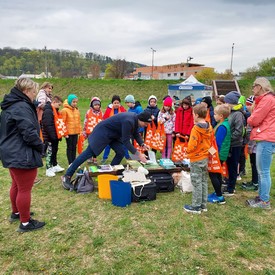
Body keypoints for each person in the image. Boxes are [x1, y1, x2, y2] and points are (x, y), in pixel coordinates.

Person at [62, 111, 152, 189]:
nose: (146, 126)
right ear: (141, 119)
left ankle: (110, 174)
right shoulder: (129, 121)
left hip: (113, 134)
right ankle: (67, 176)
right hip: (103, 132)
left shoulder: (135, 119)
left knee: (120, 152)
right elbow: (126, 141)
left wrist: (142, 144)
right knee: (88, 153)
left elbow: (135, 133)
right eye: (146, 123)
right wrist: (139, 154)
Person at [0, 77, 45, 232]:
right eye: (34, 92)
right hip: (21, 153)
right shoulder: (21, 107)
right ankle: (25, 223)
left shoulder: (11, 105)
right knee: (24, 188)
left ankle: (17, 212)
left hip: (11, 151)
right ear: (26, 91)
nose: (34, 96)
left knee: (16, 185)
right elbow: (29, 132)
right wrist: (41, 147)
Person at [246, 77, 275, 209]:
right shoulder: (267, 99)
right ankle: (261, 197)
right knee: (262, 171)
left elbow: (254, 119)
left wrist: (250, 118)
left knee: (263, 171)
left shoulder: (267, 99)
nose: (252, 89)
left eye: (254, 86)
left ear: (260, 86)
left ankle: (264, 201)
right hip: (265, 136)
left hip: (266, 137)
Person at [183, 104, 213, 214]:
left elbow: (192, 145)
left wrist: (186, 152)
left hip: (196, 159)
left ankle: (196, 206)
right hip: (205, 157)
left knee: (196, 182)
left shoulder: (195, 129)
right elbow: (211, 142)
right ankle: (203, 205)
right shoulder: (209, 127)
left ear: (196, 115)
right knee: (204, 180)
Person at [223, 91, 246, 196]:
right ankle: (228, 183)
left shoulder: (237, 114)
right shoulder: (230, 113)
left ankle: (231, 188)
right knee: (229, 165)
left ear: (232, 103)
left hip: (235, 145)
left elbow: (238, 131)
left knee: (233, 166)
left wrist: (228, 139)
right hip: (229, 144)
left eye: (226, 102)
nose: (225, 104)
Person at [208, 104, 231, 204]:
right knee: (217, 174)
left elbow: (217, 143)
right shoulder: (224, 123)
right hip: (221, 153)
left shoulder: (222, 127)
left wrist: (210, 153)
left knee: (213, 173)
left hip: (218, 154)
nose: (214, 115)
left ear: (221, 116)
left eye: (215, 114)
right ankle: (218, 192)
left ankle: (219, 197)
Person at [41, 96, 67, 177]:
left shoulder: (54, 111)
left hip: (55, 136)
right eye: (59, 105)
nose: (59, 106)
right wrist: (53, 136)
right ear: (54, 102)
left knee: (55, 151)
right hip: (50, 137)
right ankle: (48, 168)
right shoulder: (48, 111)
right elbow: (48, 125)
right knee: (50, 152)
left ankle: (54, 165)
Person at [101, 95, 128, 163]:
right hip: (110, 131)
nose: (116, 104)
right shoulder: (109, 110)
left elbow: (126, 118)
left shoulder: (122, 109)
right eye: (115, 103)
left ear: (120, 103)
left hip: (120, 131)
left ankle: (127, 156)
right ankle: (104, 157)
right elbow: (104, 119)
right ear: (112, 103)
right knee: (108, 145)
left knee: (124, 143)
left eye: (118, 103)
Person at [241, 95, 258, 191]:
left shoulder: (254, 118)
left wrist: (250, 147)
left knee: (255, 164)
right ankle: (254, 180)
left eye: (248, 105)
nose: (246, 107)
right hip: (253, 145)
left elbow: (251, 133)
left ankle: (255, 183)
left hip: (255, 146)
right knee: (252, 163)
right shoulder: (251, 116)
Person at [61, 94, 81, 165]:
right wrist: (65, 133)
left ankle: (74, 161)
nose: (75, 103)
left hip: (75, 132)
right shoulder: (64, 110)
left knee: (74, 147)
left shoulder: (76, 110)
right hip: (68, 133)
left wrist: (79, 131)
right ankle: (70, 163)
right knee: (69, 147)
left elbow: (78, 121)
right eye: (73, 102)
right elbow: (62, 122)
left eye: (76, 102)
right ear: (69, 102)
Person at [82, 97, 103, 164]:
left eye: (98, 105)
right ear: (92, 105)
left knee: (96, 145)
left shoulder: (101, 113)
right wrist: (84, 130)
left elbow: (102, 122)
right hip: (90, 132)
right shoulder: (88, 112)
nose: (97, 106)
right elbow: (85, 121)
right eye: (95, 105)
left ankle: (94, 157)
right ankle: (89, 157)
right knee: (90, 145)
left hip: (97, 132)